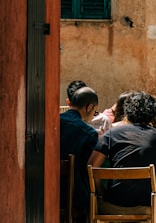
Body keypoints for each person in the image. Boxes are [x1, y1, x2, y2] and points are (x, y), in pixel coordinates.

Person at [88, 91, 156, 208]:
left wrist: (102, 192)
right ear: (155, 113)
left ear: (127, 111)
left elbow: (92, 166)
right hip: (148, 202)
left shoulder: (111, 134)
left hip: (113, 201)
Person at [60, 83, 99, 220]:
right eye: (94, 111)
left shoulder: (52, 122)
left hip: (45, 191)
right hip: (72, 196)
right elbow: (88, 169)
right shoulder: (88, 133)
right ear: (89, 107)